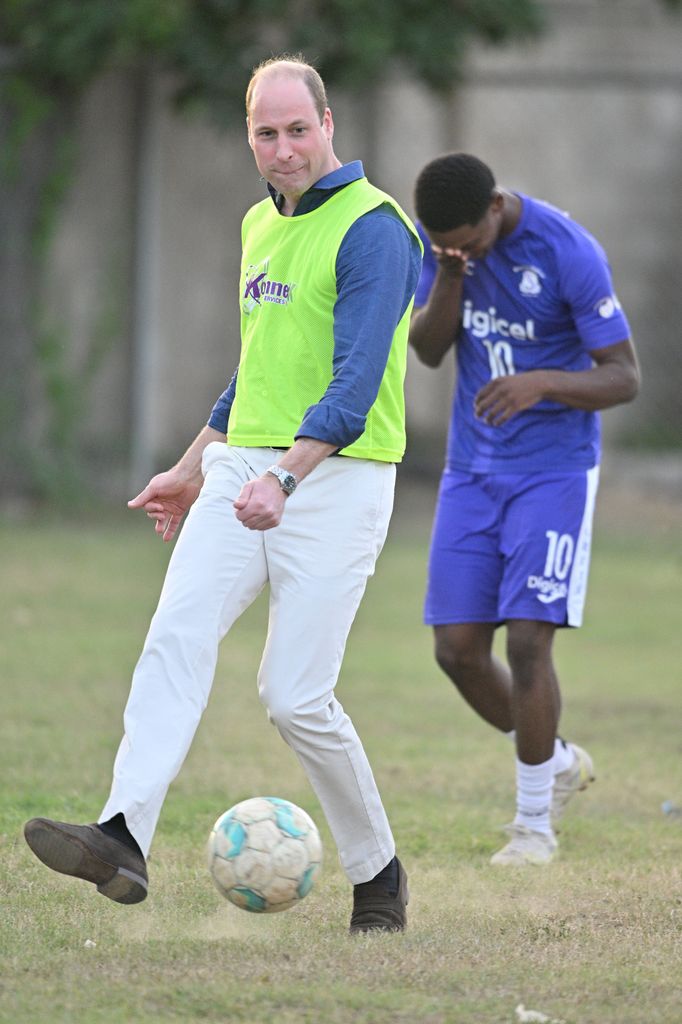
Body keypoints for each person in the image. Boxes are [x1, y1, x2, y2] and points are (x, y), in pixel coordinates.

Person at [24, 55, 423, 932]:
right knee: (176, 632)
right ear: (248, 135)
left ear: (329, 125)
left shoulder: (376, 231)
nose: (282, 150)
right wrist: (195, 461)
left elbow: (354, 387)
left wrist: (287, 477)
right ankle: (122, 835)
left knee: (294, 696)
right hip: (247, 467)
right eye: (264, 133)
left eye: (297, 130)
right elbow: (255, 371)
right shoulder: (258, 224)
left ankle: (379, 874)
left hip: (338, 478)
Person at [409, 153, 640, 866]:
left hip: (554, 471)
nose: (459, 250)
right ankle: (557, 758)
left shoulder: (567, 251)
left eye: (468, 242)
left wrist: (539, 382)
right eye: (444, 243)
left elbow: (624, 376)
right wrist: (449, 273)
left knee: (529, 643)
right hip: (471, 470)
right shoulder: (444, 250)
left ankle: (533, 826)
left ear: (496, 207)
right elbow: (427, 348)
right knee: (456, 651)